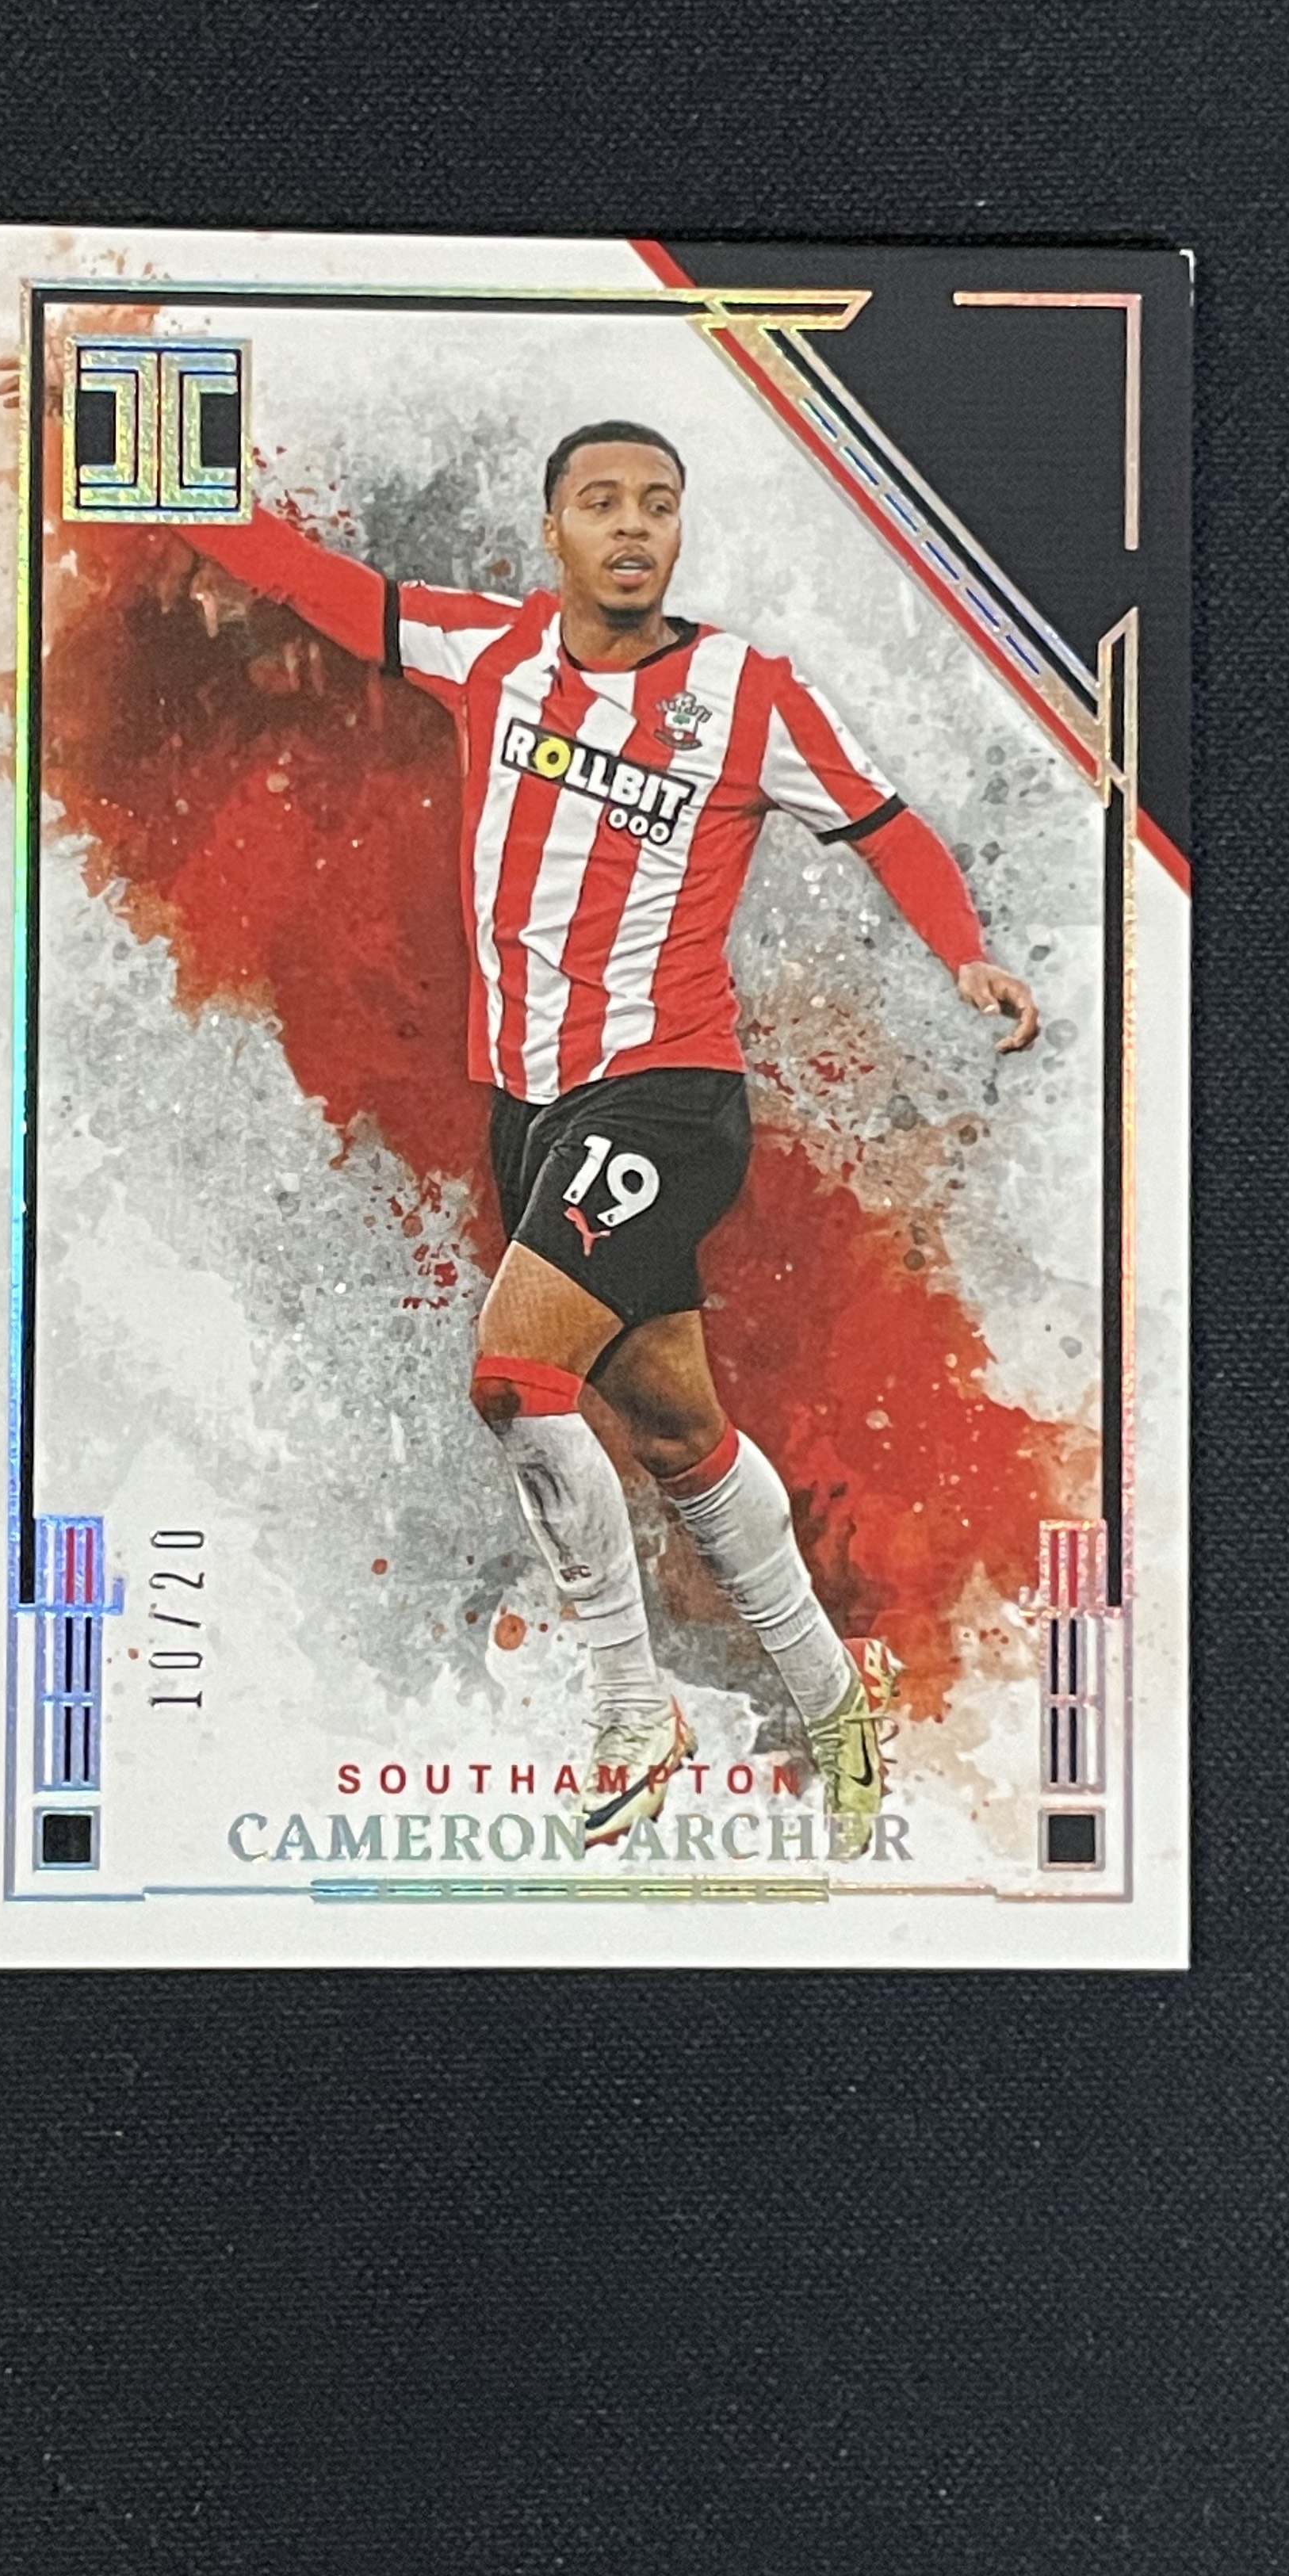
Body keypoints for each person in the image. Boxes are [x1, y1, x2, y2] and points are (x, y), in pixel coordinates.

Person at [186, 422, 1038, 1852]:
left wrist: (967, 955)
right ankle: (834, 1697)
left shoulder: (745, 695)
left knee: (519, 1380)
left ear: (680, 532)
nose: (633, 525)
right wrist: (123, 454)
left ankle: (632, 1708)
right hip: (531, 1109)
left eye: (659, 503)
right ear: (554, 531)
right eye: (601, 502)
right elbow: (299, 575)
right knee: (676, 1427)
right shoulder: (489, 652)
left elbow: (886, 825)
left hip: (665, 1094)